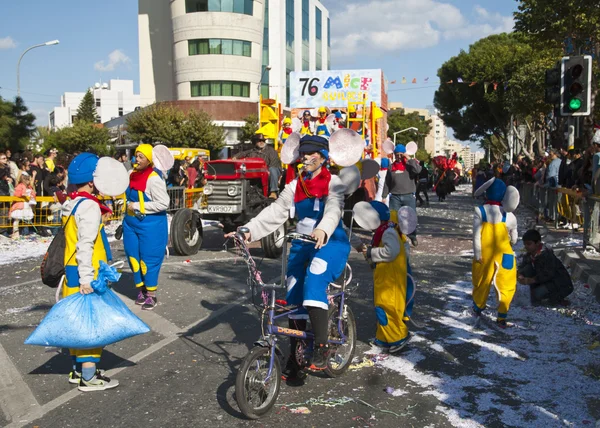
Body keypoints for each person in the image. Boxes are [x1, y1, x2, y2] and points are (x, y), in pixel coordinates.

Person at [225, 135, 350, 376]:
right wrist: (248, 230)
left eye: (311, 153)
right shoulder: (295, 185)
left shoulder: (334, 182)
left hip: (331, 242)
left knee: (314, 279)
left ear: (323, 157)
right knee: (293, 292)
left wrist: (323, 228)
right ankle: (297, 354)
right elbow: (275, 212)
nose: (304, 157)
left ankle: (322, 347)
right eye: (302, 152)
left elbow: (334, 208)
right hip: (302, 243)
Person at [62, 153, 119, 391]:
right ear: (93, 181)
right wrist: (87, 279)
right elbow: (84, 244)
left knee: (78, 323)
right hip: (88, 272)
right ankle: (89, 377)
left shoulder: (72, 202)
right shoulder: (89, 206)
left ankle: (77, 371)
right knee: (90, 325)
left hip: (72, 269)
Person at [358, 201, 416, 353]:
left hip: (390, 278)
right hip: (385, 276)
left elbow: (391, 252)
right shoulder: (384, 230)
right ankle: (384, 338)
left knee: (387, 307)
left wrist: (372, 253)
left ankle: (398, 336)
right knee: (382, 306)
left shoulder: (387, 232)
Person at [123, 144, 170, 310]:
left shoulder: (154, 179)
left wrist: (138, 206)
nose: (137, 159)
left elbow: (164, 203)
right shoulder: (131, 174)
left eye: (141, 156)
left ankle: (152, 295)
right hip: (130, 224)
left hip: (150, 226)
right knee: (133, 258)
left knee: (148, 260)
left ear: (149, 160)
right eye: (137, 156)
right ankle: (141, 290)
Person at [472, 178, 519, 328]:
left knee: (482, 281)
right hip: (505, 253)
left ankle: (478, 308)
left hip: (484, 254)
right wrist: (511, 242)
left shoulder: (480, 211)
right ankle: (502, 316)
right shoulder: (509, 215)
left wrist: (477, 253)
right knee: (506, 284)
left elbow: (476, 235)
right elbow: (515, 237)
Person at [518, 229, 573, 305]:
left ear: (537, 243)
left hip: (559, 284)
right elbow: (522, 267)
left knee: (535, 296)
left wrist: (532, 280)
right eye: (525, 244)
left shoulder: (547, 255)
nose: (526, 247)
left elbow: (548, 274)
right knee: (527, 268)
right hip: (544, 282)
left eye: (529, 244)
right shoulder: (529, 255)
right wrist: (520, 275)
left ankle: (556, 298)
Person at [383, 144, 421, 246]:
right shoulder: (391, 167)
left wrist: (408, 158)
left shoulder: (409, 166)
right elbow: (387, 182)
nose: (399, 157)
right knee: (394, 218)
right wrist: (384, 196)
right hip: (395, 197)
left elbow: (418, 170)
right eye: (397, 154)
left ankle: (412, 236)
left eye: (401, 154)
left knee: (410, 218)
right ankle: (395, 237)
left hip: (408, 196)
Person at [234, 133, 281, 198]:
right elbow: (242, 154)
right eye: (259, 140)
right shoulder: (251, 151)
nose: (261, 142)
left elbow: (274, 163)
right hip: (256, 173)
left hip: (270, 171)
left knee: (272, 169)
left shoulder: (271, 151)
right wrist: (235, 157)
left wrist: (267, 171)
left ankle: (273, 192)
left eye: (263, 140)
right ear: (255, 142)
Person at [9, 172, 35, 239]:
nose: (29, 181)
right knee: (17, 219)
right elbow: (16, 193)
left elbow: (32, 193)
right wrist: (22, 194)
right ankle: (15, 232)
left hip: (26, 205)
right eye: (27, 180)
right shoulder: (20, 186)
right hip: (20, 205)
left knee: (25, 219)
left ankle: (24, 232)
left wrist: (32, 195)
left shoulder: (29, 187)